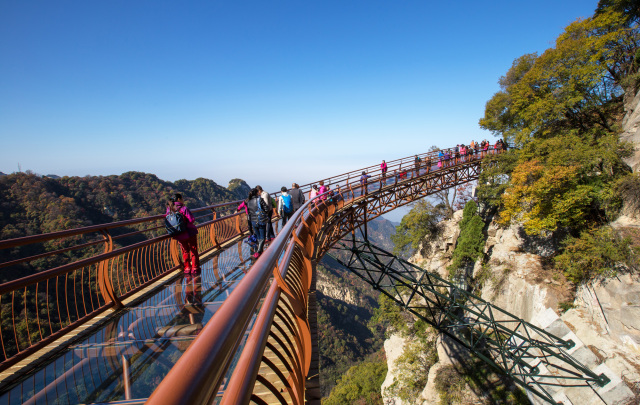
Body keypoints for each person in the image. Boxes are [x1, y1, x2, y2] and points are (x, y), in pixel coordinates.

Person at [166, 193, 200, 274]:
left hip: (179, 234)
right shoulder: (184, 208)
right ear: (178, 199)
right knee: (193, 250)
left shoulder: (169, 209)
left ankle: (187, 268)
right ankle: (195, 268)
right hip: (190, 232)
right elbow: (191, 220)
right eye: (182, 198)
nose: (183, 200)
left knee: (185, 251)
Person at [246, 188, 270, 258]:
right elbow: (266, 209)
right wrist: (264, 213)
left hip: (253, 221)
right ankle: (258, 252)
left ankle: (260, 251)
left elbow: (249, 213)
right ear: (257, 193)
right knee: (262, 237)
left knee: (258, 237)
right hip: (261, 220)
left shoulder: (248, 202)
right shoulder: (260, 199)